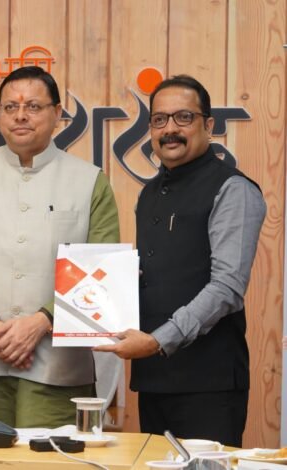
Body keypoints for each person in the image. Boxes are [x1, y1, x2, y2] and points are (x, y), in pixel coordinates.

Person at [0, 66, 120, 428]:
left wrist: (41, 322)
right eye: (10, 107)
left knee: (54, 456)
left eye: (33, 106)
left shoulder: (90, 182)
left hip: (57, 368)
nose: (20, 115)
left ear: (57, 114)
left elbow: (103, 269)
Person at [93, 75, 266, 447]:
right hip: (154, 379)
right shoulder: (150, 193)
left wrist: (158, 341)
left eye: (183, 117)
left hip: (209, 384)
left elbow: (227, 289)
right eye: (159, 119)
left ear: (208, 125)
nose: (170, 129)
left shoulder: (233, 189)